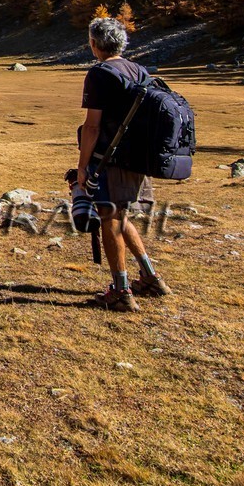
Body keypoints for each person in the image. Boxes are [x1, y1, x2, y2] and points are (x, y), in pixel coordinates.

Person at [75, 16, 171, 312]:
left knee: (110, 219)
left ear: (94, 44)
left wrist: (83, 167)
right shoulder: (138, 70)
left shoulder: (100, 73)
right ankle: (151, 277)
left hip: (110, 160)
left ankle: (120, 290)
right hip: (137, 158)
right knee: (121, 215)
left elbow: (92, 127)